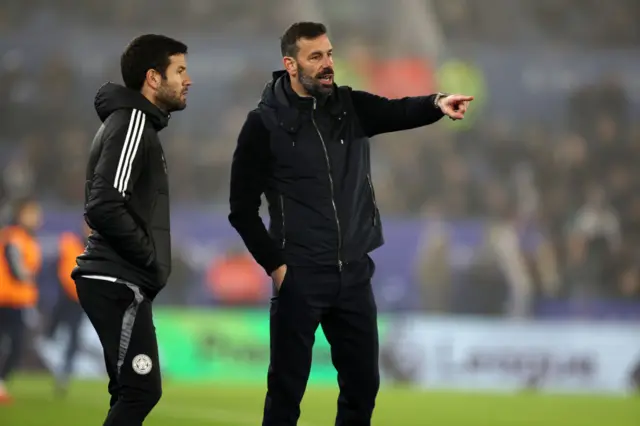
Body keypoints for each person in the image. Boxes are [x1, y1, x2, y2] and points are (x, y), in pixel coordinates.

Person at [228, 22, 473, 426]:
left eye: (329, 54)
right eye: (315, 57)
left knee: (363, 388)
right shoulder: (263, 125)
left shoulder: (348, 106)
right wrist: (277, 267)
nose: (327, 64)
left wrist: (437, 102)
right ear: (290, 65)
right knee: (287, 394)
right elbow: (241, 208)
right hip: (300, 276)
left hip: (353, 274)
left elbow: (397, 110)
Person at [71, 34, 191, 426]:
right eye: (180, 71)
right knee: (141, 391)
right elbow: (105, 202)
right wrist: (148, 257)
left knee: (128, 390)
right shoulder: (134, 123)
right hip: (116, 278)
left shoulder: (133, 123)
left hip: (117, 278)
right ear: (153, 79)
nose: (188, 80)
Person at [0, 197, 43, 404]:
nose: (35, 218)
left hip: (19, 301)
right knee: (13, 345)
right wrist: (29, 276)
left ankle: (1, 385)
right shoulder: (13, 237)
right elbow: (16, 269)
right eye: (31, 213)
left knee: (16, 346)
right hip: (6, 300)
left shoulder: (27, 239)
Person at [46, 221, 91, 396]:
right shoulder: (70, 243)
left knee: (73, 337)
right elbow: (59, 271)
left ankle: (64, 373)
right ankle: (53, 365)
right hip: (63, 298)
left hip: (79, 301)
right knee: (52, 333)